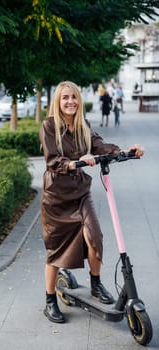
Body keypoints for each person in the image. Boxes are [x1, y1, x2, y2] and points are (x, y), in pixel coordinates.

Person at [39, 81, 144, 324]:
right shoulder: (49, 126)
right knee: (55, 251)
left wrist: (125, 151)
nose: (70, 102)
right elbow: (53, 160)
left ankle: (95, 285)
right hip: (56, 198)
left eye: (74, 97)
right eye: (65, 98)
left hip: (80, 193)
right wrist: (75, 162)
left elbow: (100, 145)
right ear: (58, 100)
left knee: (95, 237)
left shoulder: (83, 125)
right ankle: (50, 300)